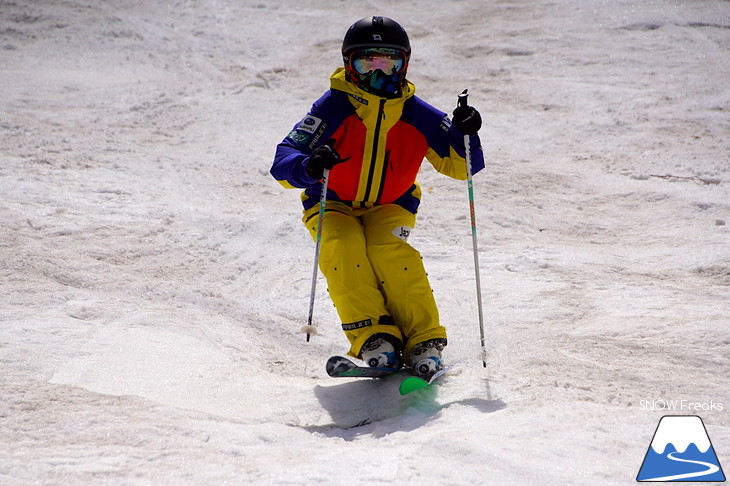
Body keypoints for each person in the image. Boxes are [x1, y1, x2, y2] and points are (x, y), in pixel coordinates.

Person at [271, 16, 484, 379]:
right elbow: (283, 160)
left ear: (404, 65)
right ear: (347, 65)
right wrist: (309, 165)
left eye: (389, 63)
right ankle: (374, 337)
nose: (378, 74)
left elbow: (464, 167)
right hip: (332, 201)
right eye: (366, 63)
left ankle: (424, 340)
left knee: (389, 250)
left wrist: (467, 133)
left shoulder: (417, 114)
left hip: (391, 203)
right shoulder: (334, 108)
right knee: (343, 246)